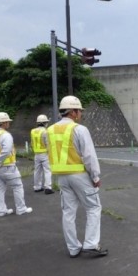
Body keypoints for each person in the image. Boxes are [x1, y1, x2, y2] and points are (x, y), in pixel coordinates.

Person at [47, 95, 108, 258]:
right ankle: (91, 244)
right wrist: (95, 177)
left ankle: (73, 247)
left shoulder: (50, 130)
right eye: (79, 111)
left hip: (62, 177)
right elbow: (89, 156)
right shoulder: (79, 129)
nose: (80, 114)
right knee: (93, 208)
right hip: (80, 175)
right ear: (73, 112)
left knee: (68, 212)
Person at [0, 112, 33, 217]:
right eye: (8, 122)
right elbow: (6, 151)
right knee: (17, 186)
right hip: (7, 167)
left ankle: (0, 211)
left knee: (0, 187)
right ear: (4, 123)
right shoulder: (6, 135)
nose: (9, 124)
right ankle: (21, 209)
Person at [31, 114, 54, 194]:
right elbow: (47, 143)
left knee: (37, 171)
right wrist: (50, 153)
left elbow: (32, 143)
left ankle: (37, 187)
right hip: (44, 154)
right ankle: (48, 188)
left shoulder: (33, 131)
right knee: (47, 170)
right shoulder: (45, 131)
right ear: (44, 123)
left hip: (36, 154)